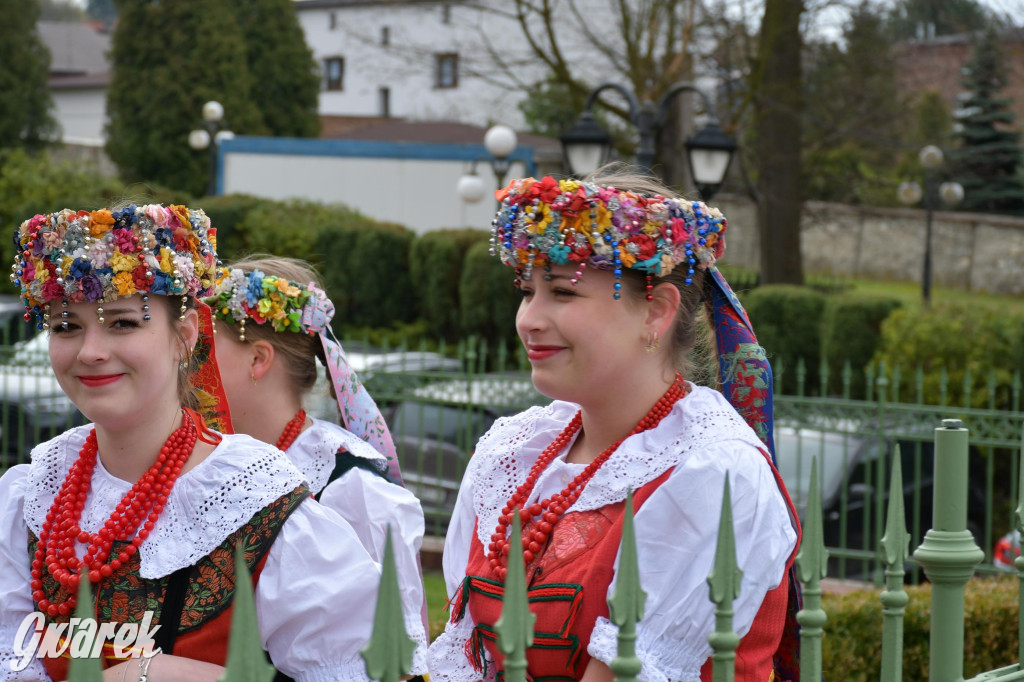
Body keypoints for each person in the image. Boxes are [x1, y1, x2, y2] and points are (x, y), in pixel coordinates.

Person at [427, 172, 802, 682]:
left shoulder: (712, 470)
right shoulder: (514, 452)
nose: (528, 319)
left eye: (561, 292)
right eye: (527, 291)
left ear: (656, 311)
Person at [0, 205, 383, 682]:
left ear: (183, 336)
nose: (90, 351)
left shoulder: (256, 504)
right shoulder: (28, 497)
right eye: (65, 326)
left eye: (122, 323)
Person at [201, 256, 428, 675]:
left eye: (203, 347)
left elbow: (393, 664)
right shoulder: (205, 467)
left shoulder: (349, 488)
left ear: (258, 360)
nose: (185, 366)